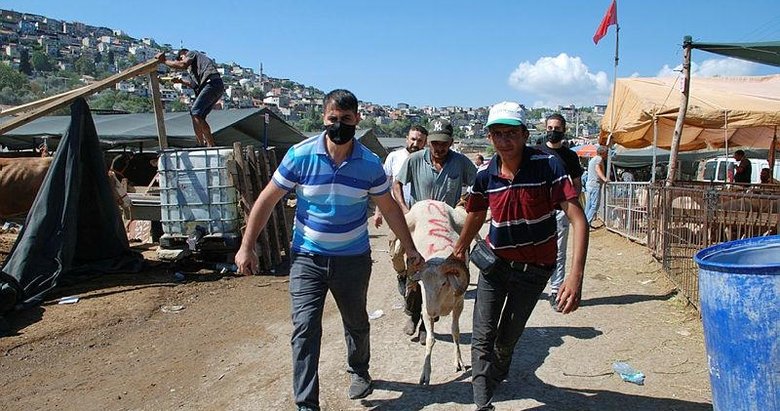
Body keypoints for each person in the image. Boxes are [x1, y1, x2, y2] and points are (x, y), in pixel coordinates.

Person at [234, 89, 423, 411]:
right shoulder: (299, 155)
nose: (338, 125)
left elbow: (389, 208)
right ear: (323, 119)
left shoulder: (368, 163)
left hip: (352, 259)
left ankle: (359, 370)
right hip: (307, 257)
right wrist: (246, 247)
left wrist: (410, 248)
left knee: (356, 321)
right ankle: (307, 404)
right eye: (332, 119)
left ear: (357, 120)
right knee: (305, 328)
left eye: (346, 120)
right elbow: (266, 200)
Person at [451, 101, 588, 410]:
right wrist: (458, 250)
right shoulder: (485, 173)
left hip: (535, 270)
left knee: (506, 340)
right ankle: (481, 401)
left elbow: (579, 220)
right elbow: (475, 213)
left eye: (511, 133)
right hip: (495, 265)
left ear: (526, 134)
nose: (504, 140)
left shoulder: (548, 166)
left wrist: (574, 278)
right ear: (489, 137)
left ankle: (496, 373)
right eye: (497, 133)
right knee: (482, 337)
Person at [393, 118, 477, 341]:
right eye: (435, 143)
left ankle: (426, 324)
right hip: (420, 221)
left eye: (444, 144)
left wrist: (464, 201)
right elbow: (397, 183)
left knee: (443, 275)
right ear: (429, 142)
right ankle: (412, 311)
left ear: (451, 142)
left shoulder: (460, 162)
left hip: (445, 224)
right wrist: (403, 209)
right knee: (408, 263)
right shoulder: (414, 160)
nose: (439, 148)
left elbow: (479, 184)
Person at [536, 113, 583, 312]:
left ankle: (556, 289)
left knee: (559, 251)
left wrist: (570, 206)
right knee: (537, 249)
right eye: (549, 128)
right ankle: (536, 285)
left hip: (560, 211)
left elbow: (577, 183)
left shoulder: (570, 156)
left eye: (557, 128)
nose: (553, 132)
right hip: (538, 212)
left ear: (563, 130)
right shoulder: (536, 152)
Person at [156, 49, 225, 147]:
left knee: (195, 112)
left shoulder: (191, 53)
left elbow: (182, 65)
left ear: (184, 54)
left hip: (211, 83)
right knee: (198, 116)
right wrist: (181, 82)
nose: (181, 60)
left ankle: (205, 144)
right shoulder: (197, 69)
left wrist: (164, 61)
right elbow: (195, 85)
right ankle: (205, 143)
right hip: (215, 85)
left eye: (181, 58)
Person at [371, 125, 428, 228]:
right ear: (407, 139)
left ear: (425, 143)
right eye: (413, 139)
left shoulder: (428, 160)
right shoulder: (394, 157)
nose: (415, 144)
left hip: (421, 212)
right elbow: (383, 186)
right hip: (397, 211)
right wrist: (378, 212)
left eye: (419, 141)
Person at [585, 146, 609, 227]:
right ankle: (586, 224)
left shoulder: (593, 159)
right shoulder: (599, 159)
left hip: (589, 184)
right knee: (595, 205)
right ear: (603, 153)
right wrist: (605, 179)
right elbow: (597, 169)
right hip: (595, 184)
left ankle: (584, 222)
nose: (607, 155)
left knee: (588, 205)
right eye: (606, 153)